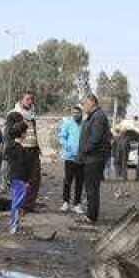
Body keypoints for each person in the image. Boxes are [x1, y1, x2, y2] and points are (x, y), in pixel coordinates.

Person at [77, 94, 111, 224]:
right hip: (90, 158)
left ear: (92, 102)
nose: (83, 107)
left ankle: (91, 216)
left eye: (85, 104)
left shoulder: (98, 117)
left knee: (92, 188)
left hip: (94, 159)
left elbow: (95, 139)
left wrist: (84, 151)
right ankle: (90, 214)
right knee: (90, 188)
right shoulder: (93, 116)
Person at [6, 109, 36, 234]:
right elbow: (24, 167)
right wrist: (27, 180)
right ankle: (14, 226)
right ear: (22, 134)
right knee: (18, 202)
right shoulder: (22, 150)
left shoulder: (10, 147)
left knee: (15, 200)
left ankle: (13, 223)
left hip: (13, 177)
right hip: (20, 179)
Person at [11, 92, 41, 211]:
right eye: (27, 99)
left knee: (35, 178)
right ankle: (20, 205)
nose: (30, 101)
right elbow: (11, 134)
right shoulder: (14, 114)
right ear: (21, 100)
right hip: (22, 150)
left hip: (33, 150)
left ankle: (29, 205)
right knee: (22, 180)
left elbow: (34, 132)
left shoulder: (32, 115)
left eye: (31, 99)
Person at [58, 105, 83, 212]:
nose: (75, 114)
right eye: (73, 113)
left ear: (81, 113)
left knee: (80, 181)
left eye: (77, 112)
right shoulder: (67, 123)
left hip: (82, 158)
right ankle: (65, 202)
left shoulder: (85, 124)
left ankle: (77, 204)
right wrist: (67, 146)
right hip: (69, 157)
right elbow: (62, 137)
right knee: (68, 180)